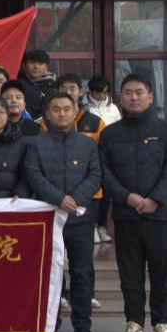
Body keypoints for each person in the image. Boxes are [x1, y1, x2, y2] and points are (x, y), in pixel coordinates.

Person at [100, 74, 167, 332]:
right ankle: (133, 322)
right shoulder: (110, 134)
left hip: (160, 215)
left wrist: (155, 199)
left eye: (139, 92)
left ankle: (162, 324)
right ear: (120, 97)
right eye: (128, 93)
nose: (133, 97)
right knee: (130, 274)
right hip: (126, 215)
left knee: (161, 273)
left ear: (150, 96)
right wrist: (127, 197)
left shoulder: (166, 130)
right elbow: (105, 173)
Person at [24, 93, 102, 332]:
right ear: (47, 114)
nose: (62, 114)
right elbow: (34, 175)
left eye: (67, 109)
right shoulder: (36, 144)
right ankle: (51, 324)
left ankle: (83, 325)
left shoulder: (88, 144)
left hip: (80, 218)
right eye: (56, 109)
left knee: (82, 273)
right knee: (50, 272)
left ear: (75, 111)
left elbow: (95, 175)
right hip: (48, 217)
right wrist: (59, 199)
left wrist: (75, 199)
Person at [46, 74, 106, 246]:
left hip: (90, 193)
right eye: (64, 89)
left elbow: (100, 160)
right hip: (55, 195)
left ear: (80, 92)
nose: (68, 92)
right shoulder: (45, 123)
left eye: (72, 88)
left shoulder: (96, 122)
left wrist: (80, 194)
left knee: (83, 245)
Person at [86, 74, 121, 244]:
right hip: (91, 153)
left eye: (105, 92)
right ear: (91, 91)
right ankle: (91, 226)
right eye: (98, 92)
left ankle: (102, 226)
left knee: (106, 193)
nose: (101, 96)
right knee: (93, 193)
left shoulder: (113, 109)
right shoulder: (85, 109)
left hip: (109, 153)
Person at [17, 49, 56, 120]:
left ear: (46, 67)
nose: (36, 66)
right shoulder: (15, 83)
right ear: (24, 64)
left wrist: (33, 124)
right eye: (32, 62)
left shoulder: (52, 87)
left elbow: (47, 112)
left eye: (40, 63)